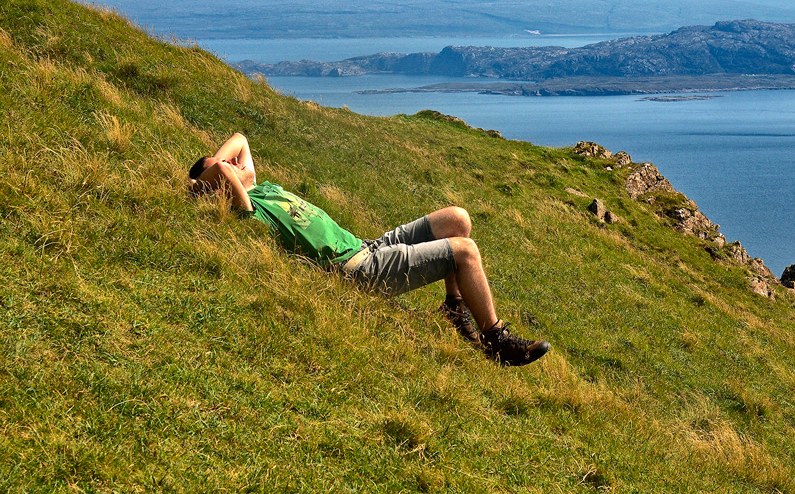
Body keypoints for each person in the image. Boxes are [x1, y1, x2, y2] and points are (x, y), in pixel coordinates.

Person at [188, 133, 550, 367]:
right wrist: (200, 179)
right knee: (465, 251)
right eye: (226, 169)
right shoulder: (250, 211)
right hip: (356, 270)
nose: (237, 163)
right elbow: (222, 167)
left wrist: (214, 165)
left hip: (365, 246)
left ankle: (454, 310)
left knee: (458, 218)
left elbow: (240, 139)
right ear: (219, 185)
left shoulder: (262, 189)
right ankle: (497, 341)